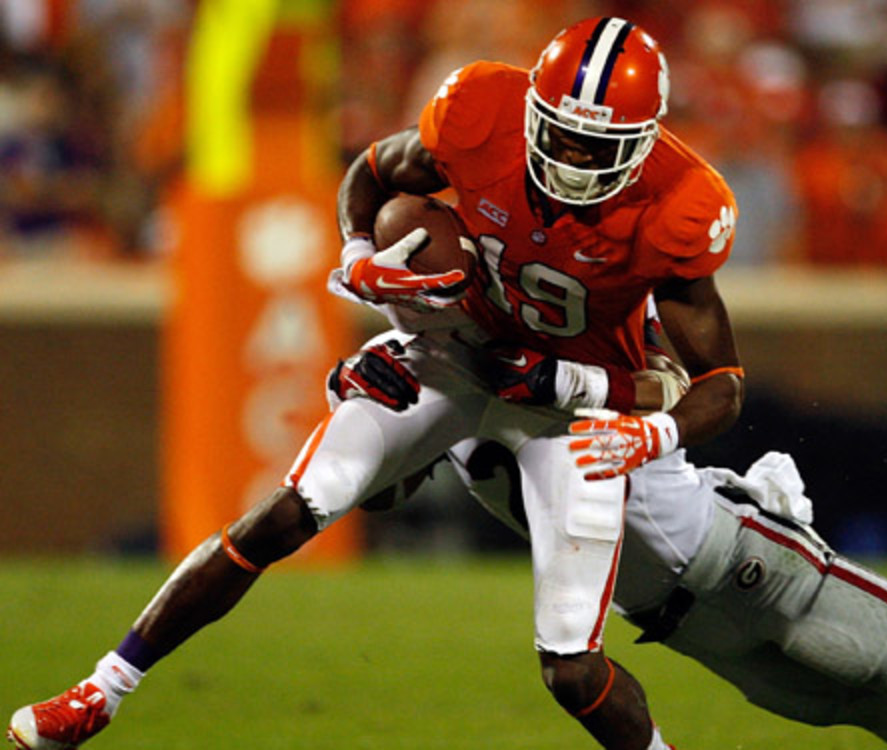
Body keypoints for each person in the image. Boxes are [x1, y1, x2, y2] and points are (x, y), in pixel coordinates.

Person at [7, 17, 743, 750]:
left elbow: (705, 385)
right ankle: (101, 691)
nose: (575, 158)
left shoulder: (678, 204)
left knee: (573, 672)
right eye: (560, 132)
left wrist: (577, 389)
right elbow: (373, 171)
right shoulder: (482, 112)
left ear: (645, 141)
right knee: (287, 512)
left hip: (567, 408)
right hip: (457, 353)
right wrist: (359, 252)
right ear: (532, 111)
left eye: (598, 145)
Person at [331, 335, 887, 744]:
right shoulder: (423, 356)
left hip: (739, 556)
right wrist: (363, 403)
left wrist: (567, 380)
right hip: (678, 619)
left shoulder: (563, 321)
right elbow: (388, 487)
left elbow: (681, 381)